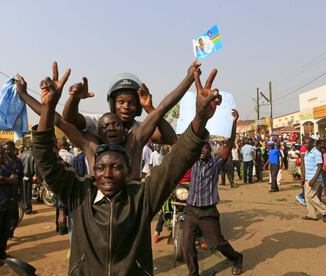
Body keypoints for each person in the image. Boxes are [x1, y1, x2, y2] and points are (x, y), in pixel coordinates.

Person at [32, 65, 221, 275]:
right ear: (93, 171)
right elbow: (49, 152)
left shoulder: (142, 198)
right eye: (101, 167)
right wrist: (48, 106)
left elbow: (178, 155)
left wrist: (200, 115)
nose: (108, 174)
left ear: (130, 168)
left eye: (116, 167)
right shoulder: (80, 194)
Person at [15, 61, 201, 180]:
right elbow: (63, 120)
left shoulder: (137, 135)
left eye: (131, 103)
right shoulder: (95, 132)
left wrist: (187, 79)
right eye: (121, 102)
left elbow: (164, 118)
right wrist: (25, 95)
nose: (126, 107)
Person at [182, 109, 243, 276]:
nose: (202, 151)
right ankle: (193, 273)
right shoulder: (192, 162)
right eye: (199, 148)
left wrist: (233, 123)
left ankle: (236, 258)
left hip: (208, 212)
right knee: (186, 245)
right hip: (190, 211)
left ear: (210, 150)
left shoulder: (215, 164)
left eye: (205, 148)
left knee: (218, 242)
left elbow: (229, 144)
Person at [301, 137, 326, 222]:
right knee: (307, 197)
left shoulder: (316, 153)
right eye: (304, 143)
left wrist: (313, 179)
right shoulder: (307, 152)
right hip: (308, 177)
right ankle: (312, 215)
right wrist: (303, 177)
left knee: (309, 196)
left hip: (315, 178)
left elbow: (319, 166)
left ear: (312, 143)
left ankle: (324, 210)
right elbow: (304, 165)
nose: (305, 144)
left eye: (307, 143)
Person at [3, 141, 24, 241]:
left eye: (8, 149)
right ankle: (4, 237)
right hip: (3, 192)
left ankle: (10, 234)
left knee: (15, 216)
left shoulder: (18, 161)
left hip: (14, 191)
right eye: (5, 149)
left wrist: (21, 191)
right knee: (5, 216)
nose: (6, 151)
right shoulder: (2, 160)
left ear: (14, 149)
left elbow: (21, 177)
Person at [20, 141, 37, 215]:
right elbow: (35, 167)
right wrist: (36, 175)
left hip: (22, 176)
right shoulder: (33, 154)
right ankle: (27, 209)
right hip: (29, 176)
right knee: (28, 193)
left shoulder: (22, 154)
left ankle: (25, 208)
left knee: (24, 193)